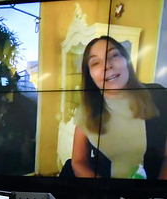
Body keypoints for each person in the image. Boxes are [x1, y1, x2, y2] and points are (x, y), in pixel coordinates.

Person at [70, 36, 167, 179]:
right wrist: (101, 188)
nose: (107, 65)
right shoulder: (86, 110)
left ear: (126, 60)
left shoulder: (158, 95)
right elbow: (78, 162)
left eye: (114, 55)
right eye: (96, 63)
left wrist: (157, 190)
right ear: (89, 75)